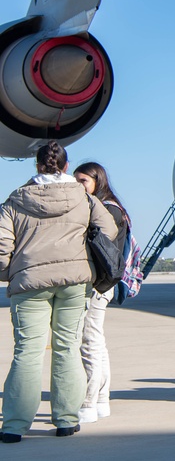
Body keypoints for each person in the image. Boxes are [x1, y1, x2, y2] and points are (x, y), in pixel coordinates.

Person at [0, 141, 117, 443]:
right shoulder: (83, 198)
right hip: (73, 282)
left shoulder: (15, 200)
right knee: (67, 348)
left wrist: (10, 273)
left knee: (27, 353)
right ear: (66, 167)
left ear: (37, 166)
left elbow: (1, 249)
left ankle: (14, 425)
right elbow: (110, 229)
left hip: (29, 284)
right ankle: (66, 419)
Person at [73, 162, 131, 424]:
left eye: (83, 180)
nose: (78, 186)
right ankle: (101, 399)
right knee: (96, 342)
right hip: (103, 284)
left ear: (98, 181)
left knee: (89, 343)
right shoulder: (112, 208)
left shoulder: (106, 211)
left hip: (98, 285)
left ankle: (88, 401)